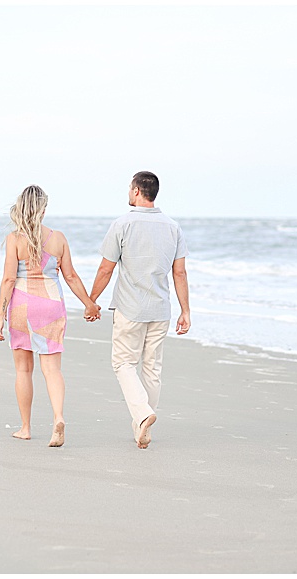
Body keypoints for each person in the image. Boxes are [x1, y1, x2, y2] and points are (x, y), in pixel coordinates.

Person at [88, 171, 190, 449]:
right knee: (152, 368)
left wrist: (91, 300)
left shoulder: (123, 224)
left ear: (135, 191)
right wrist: (185, 311)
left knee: (123, 363)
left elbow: (106, 267)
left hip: (130, 308)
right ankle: (141, 425)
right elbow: (179, 273)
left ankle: (143, 414)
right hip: (161, 308)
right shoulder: (172, 227)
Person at [0, 185, 101, 447]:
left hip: (22, 306)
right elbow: (71, 276)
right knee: (52, 369)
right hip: (51, 305)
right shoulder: (58, 238)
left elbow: (9, 279)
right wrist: (89, 304)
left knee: (23, 369)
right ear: (43, 208)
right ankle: (58, 417)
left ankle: (26, 427)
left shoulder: (14, 239)